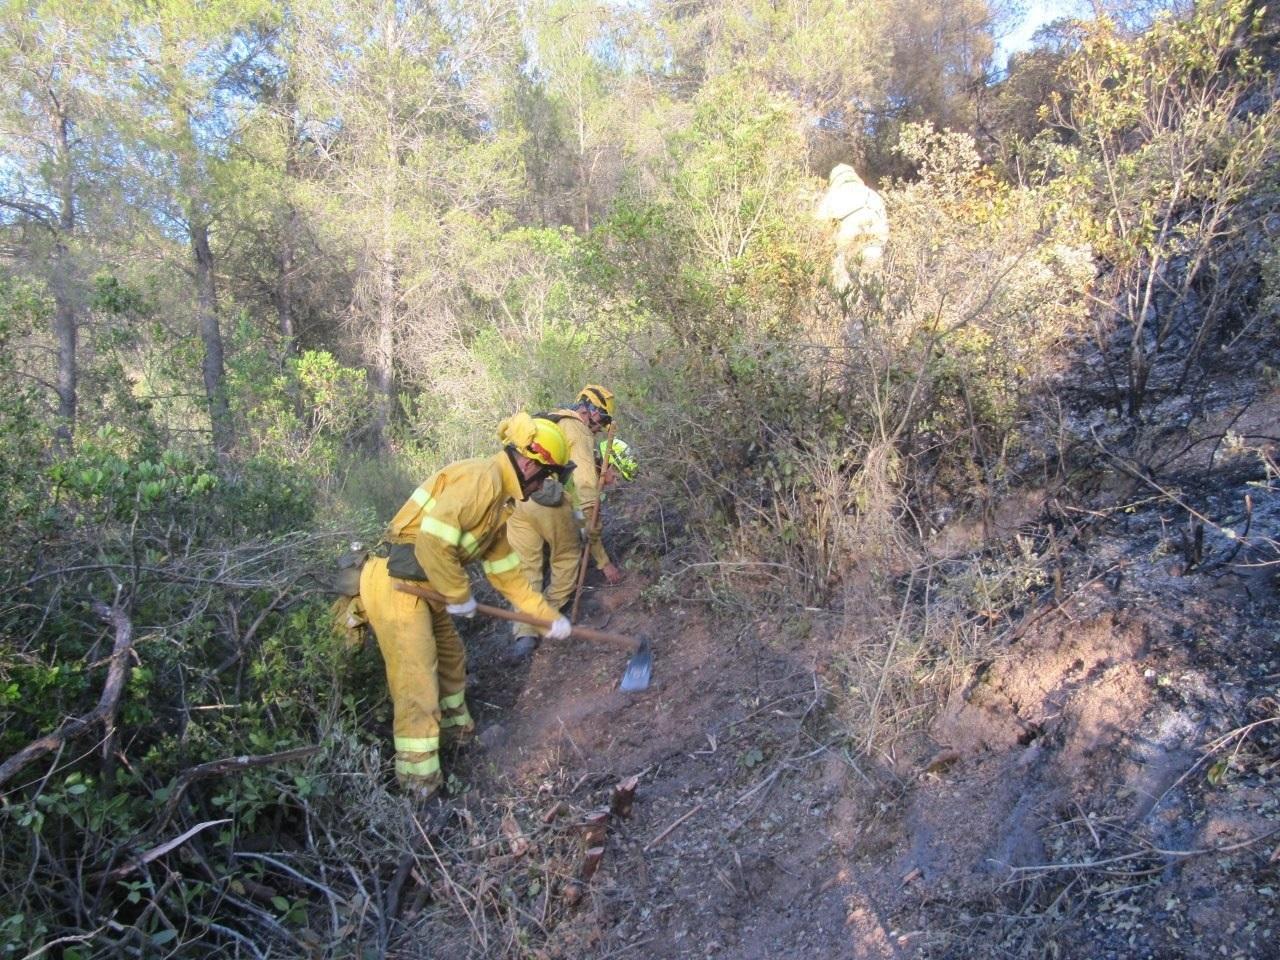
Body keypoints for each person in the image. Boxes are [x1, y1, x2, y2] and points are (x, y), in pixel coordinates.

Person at [355, 412, 575, 800]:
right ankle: (419, 786)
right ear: (527, 464)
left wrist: (547, 618)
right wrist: (459, 595)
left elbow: (508, 574)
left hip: (427, 587)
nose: (545, 484)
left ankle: (458, 740)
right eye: (546, 474)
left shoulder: (499, 505)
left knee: (452, 660)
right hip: (397, 586)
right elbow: (433, 542)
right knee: (417, 679)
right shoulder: (482, 480)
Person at [506, 385, 622, 658]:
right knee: (568, 556)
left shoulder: (547, 421)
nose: (600, 428)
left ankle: (524, 634)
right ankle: (545, 618)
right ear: (589, 410)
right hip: (544, 499)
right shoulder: (577, 430)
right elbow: (584, 484)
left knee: (528, 570)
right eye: (602, 420)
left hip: (514, 501)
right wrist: (603, 560)